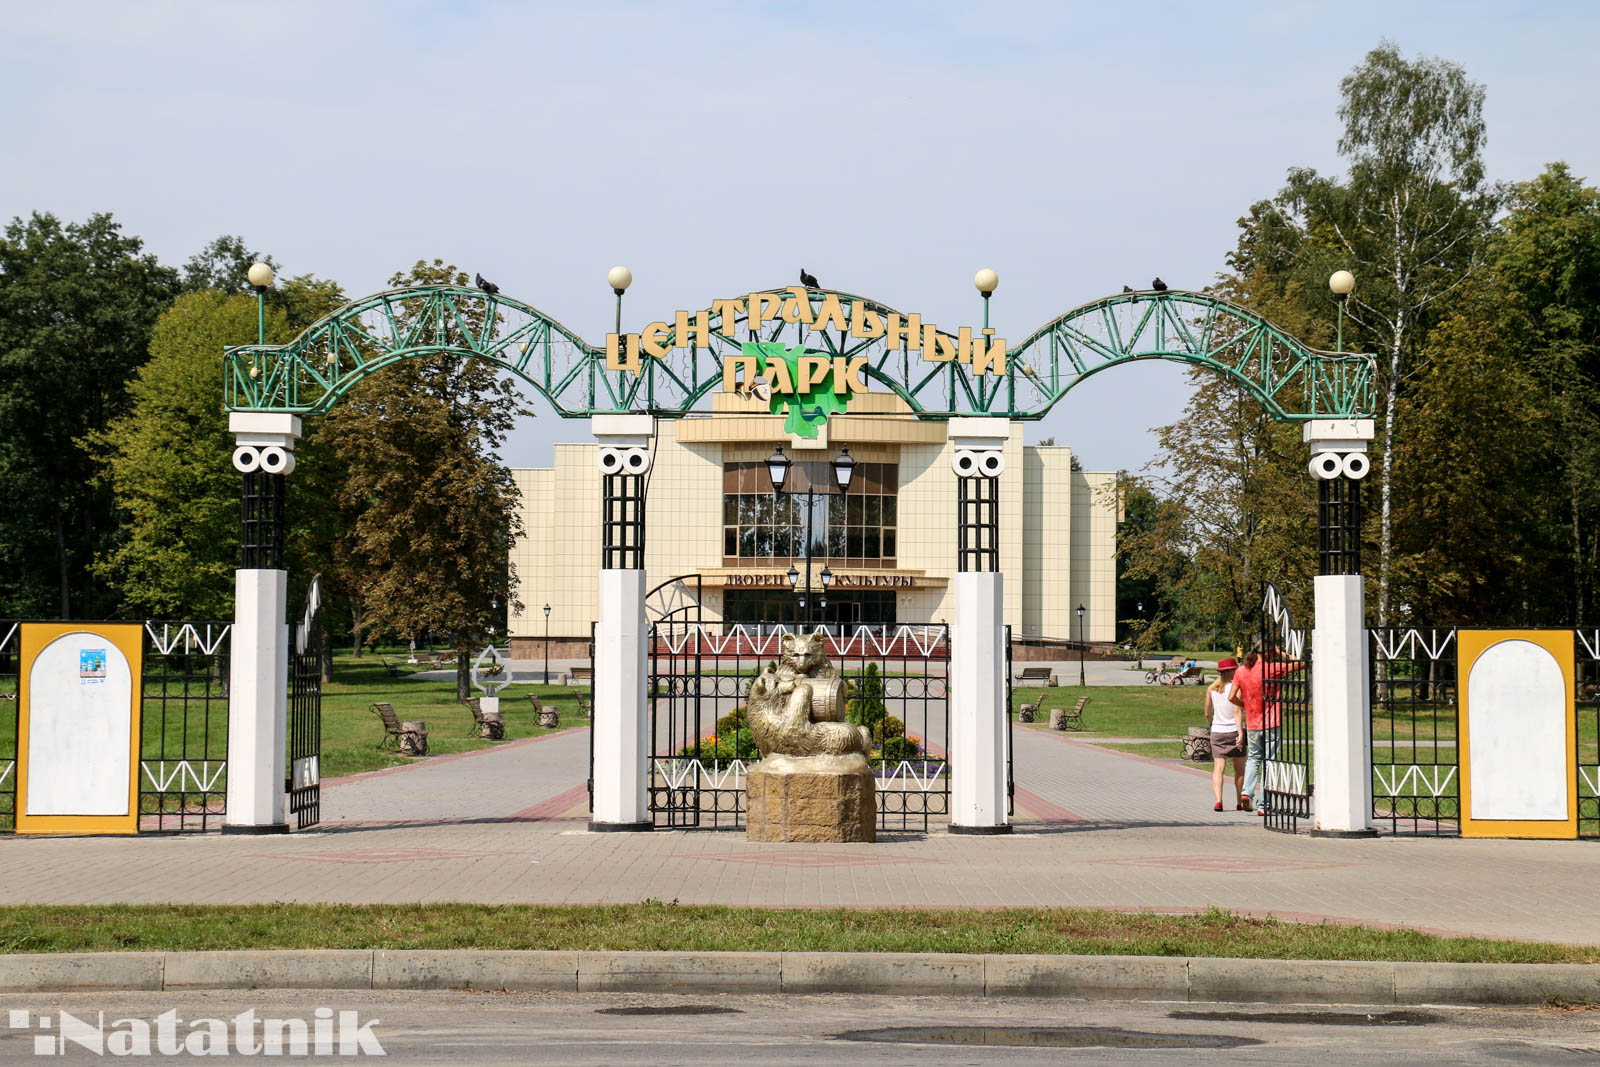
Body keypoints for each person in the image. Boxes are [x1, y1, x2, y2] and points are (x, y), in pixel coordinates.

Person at [1235, 647, 1306, 816]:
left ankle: (1246, 792)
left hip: (1252, 723)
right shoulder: (1272, 668)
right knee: (1269, 761)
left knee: (1253, 758)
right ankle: (1263, 805)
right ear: (1269, 654)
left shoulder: (1242, 670)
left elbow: (1231, 696)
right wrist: (1281, 653)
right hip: (1272, 722)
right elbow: (1302, 663)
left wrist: (1246, 705)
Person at [1203, 657, 1245, 811]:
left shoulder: (1211, 689)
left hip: (1217, 731)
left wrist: (1212, 723)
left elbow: (1207, 712)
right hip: (1234, 731)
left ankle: (1218, 801)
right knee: (1239, 768)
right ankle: (1239, 801)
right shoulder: (1236, 688)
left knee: (1218, 768)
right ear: (1231, 671)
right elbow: (1236, 711)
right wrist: (1241, 733)